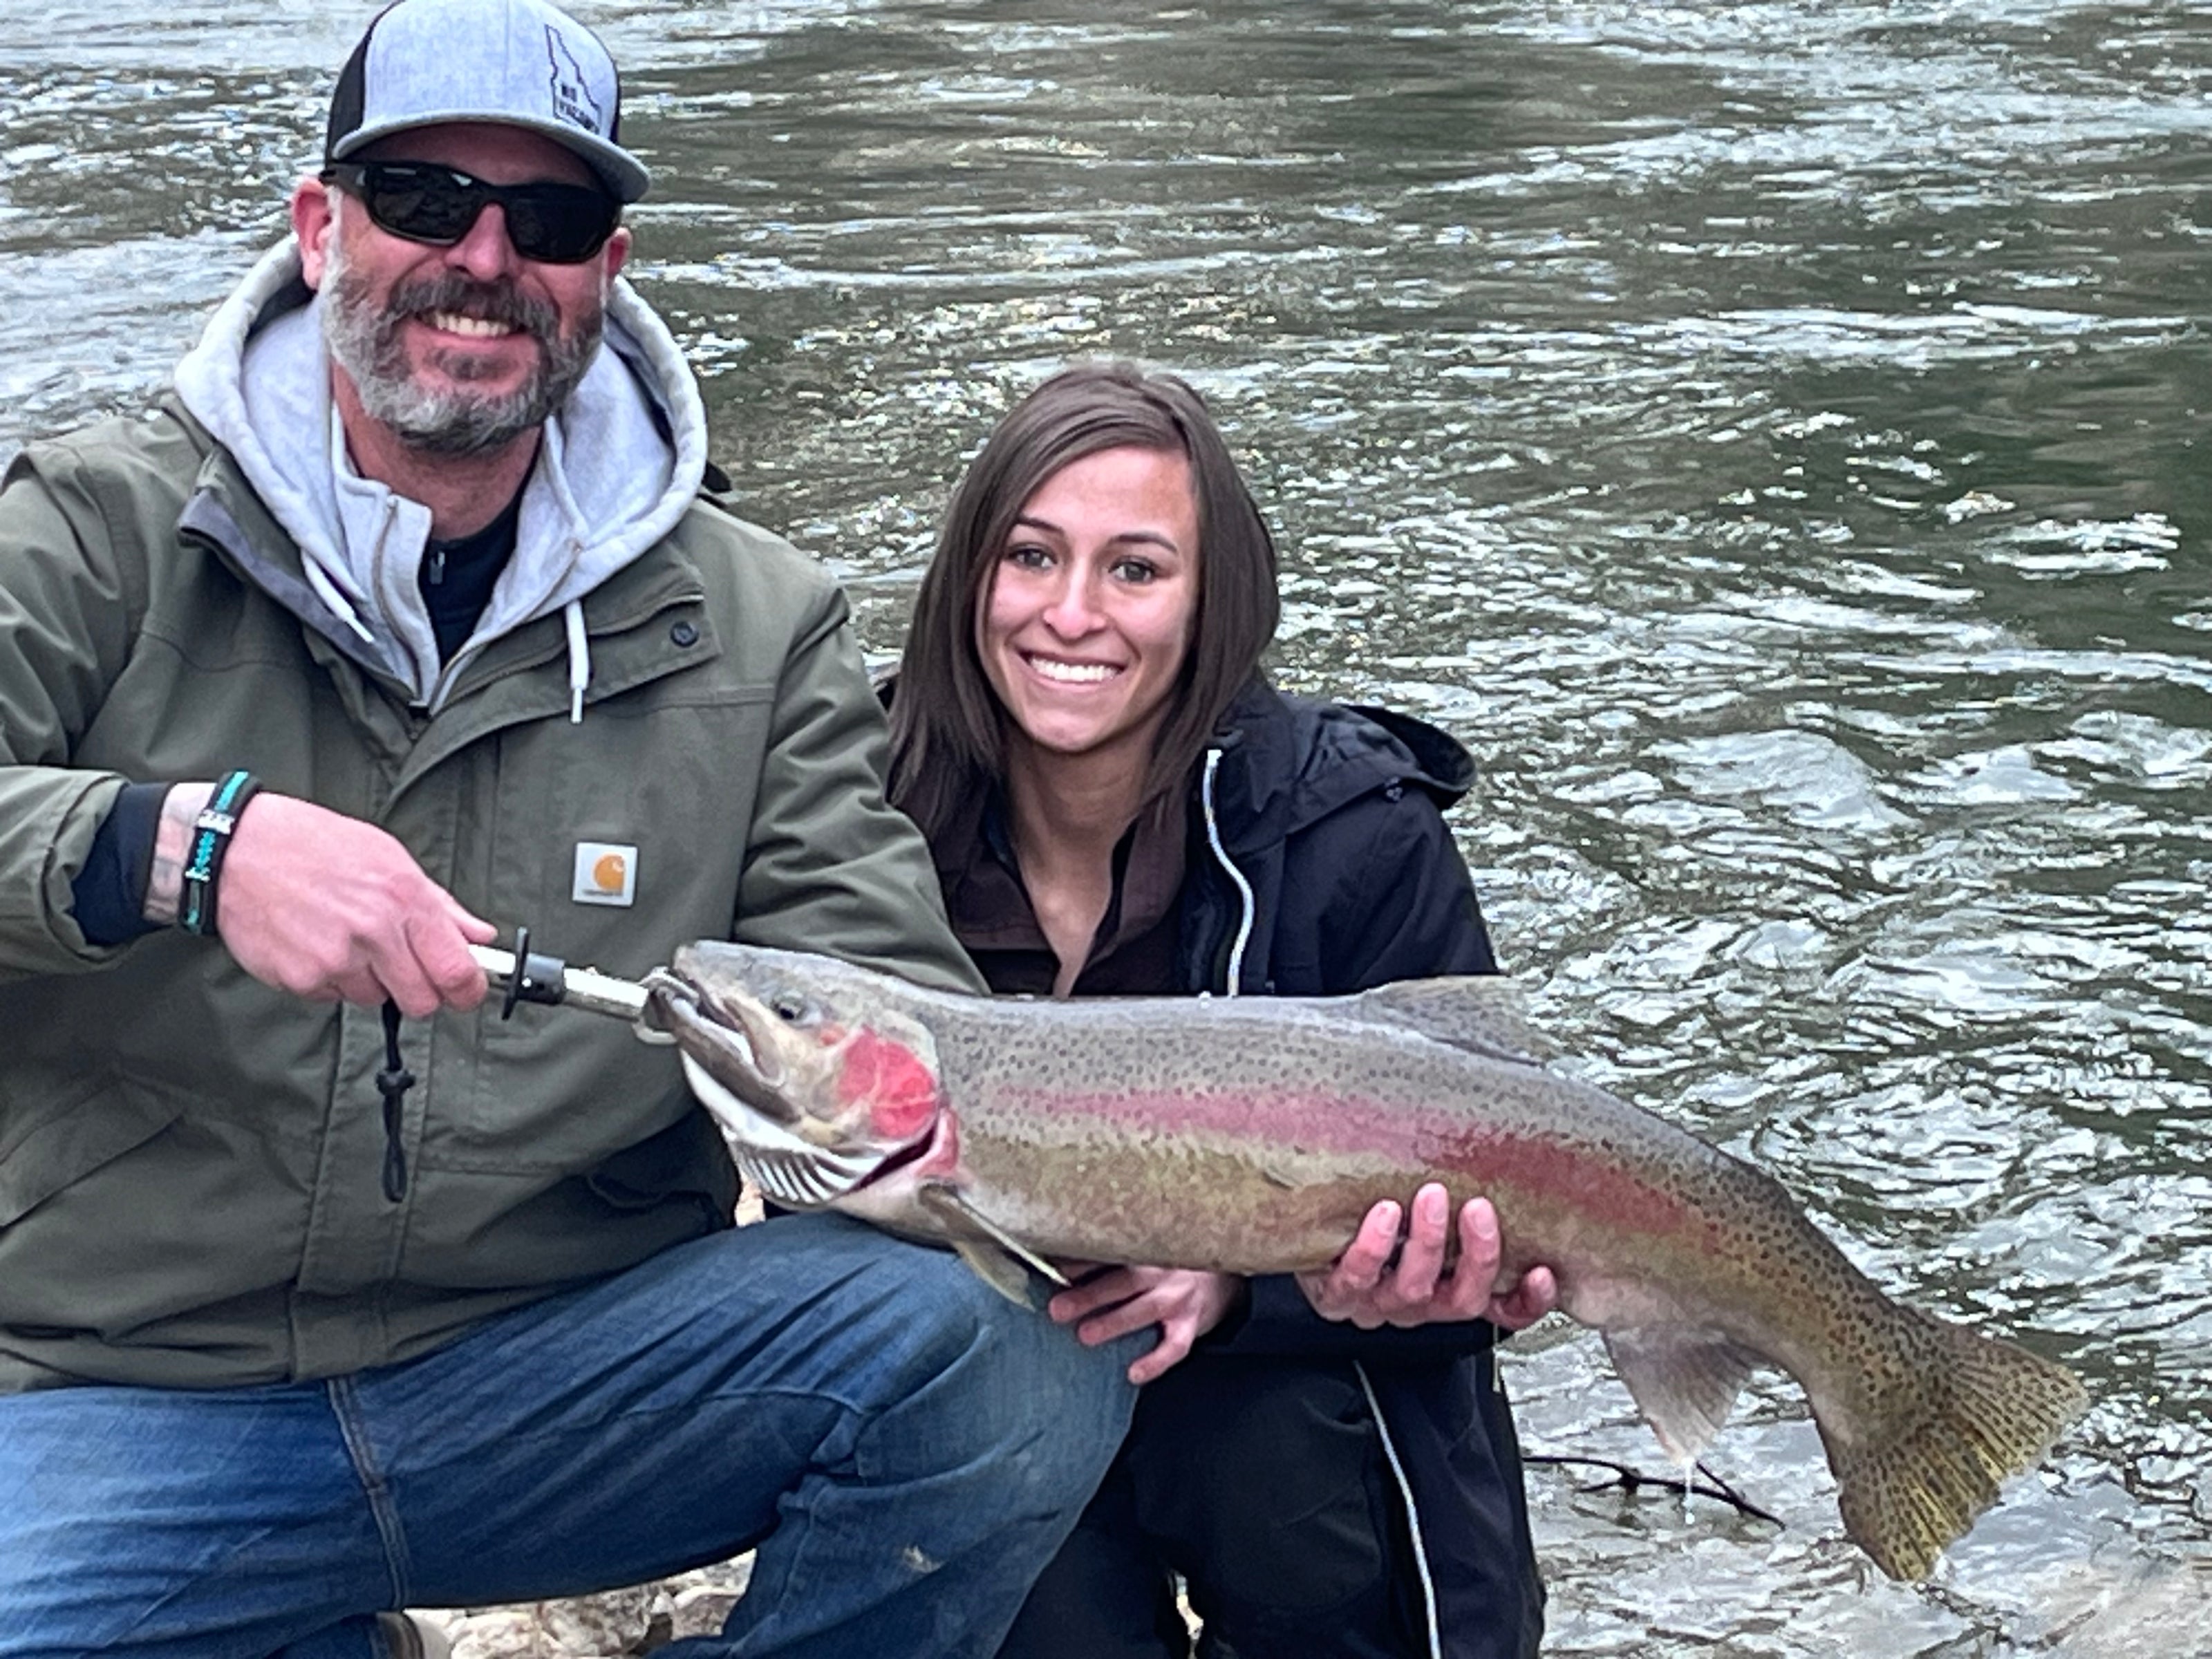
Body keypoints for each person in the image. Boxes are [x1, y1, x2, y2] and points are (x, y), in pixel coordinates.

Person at [0, 3, 1139, 1654]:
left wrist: (1211, 1222)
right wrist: (179, 849)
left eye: (544, 220)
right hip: (123, 1390)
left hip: (568, 1389)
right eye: (424, 200)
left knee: (1013, 1349)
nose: (482, 260)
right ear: (319, 227)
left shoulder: (764, 623)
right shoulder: (95, 526)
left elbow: (891, 1014)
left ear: (605, 267)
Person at [886, 363, 1555, 1659]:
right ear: (969, 575)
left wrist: (1238, 1280)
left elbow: (1499, 1268)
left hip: (1294, 1422)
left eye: (1135, 570)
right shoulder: (869, 806)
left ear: (1214, 601)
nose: (1071, 614)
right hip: (989, 1389)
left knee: (1276, 1454)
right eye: (1031, 556)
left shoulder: (1358, 834)